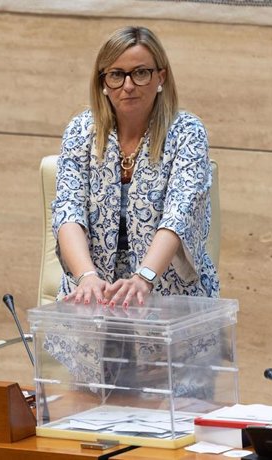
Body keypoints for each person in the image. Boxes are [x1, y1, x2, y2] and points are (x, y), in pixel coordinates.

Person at [51, 26, 219, 308]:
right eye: (116, 75)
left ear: (160, 77)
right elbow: (68, 211)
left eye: (140, 73)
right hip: (93, 295)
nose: (128, 86)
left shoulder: (187, 132)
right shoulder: (81, 131)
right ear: (103, 82)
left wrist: (144, 277)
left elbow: (180, 213)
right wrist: (86, 277)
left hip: (170, 295)